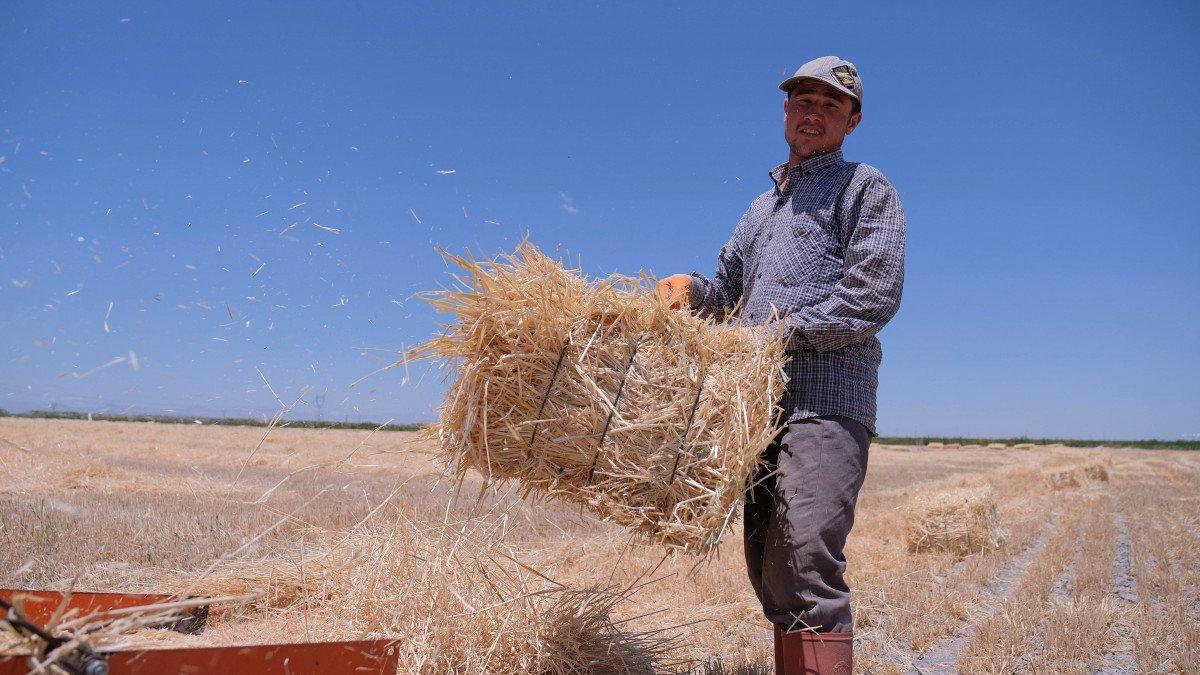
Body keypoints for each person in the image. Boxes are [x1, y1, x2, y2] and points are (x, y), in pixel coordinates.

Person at [656, 56, 905, 675]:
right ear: (786, 110)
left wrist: (772, 335)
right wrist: (694, 291)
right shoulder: (758, 210)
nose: (813, 111)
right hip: (754, 408)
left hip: (826, 399)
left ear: (853, 120)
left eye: (829, 103)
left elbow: (872, 295)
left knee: (804, 556)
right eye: (803, 99)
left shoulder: (864, 187)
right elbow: (732, 296)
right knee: (768, 564)